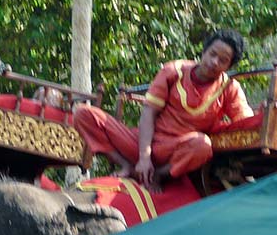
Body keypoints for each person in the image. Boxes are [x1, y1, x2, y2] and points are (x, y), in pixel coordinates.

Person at [73, 29, 253, 189]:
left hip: (179, 153)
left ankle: (158, 175)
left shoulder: (230, 88)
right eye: (212, 54)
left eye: (223, 60)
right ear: (204, 51)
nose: (214, 62)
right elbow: (148, 112)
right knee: (83, 113)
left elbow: (247, 123)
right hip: (143, 144)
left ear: (229, 66)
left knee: (202, 145)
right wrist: (144, 158)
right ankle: (128, 165)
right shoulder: (174, 70)